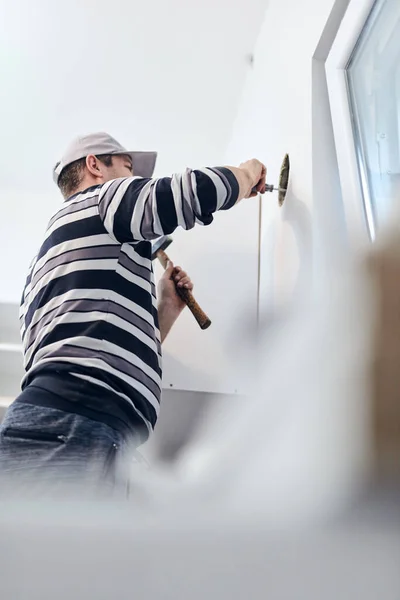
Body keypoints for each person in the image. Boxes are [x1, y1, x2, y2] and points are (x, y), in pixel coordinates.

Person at [0, 132, 266, 493]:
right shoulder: (100, 200)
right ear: (95, 165)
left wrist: (166, 309)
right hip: (75, 422)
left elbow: (102, 347)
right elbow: (188, 193)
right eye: (128, 169)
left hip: (75, 425)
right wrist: (247, 174)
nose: (134, 181)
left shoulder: (44, 266)